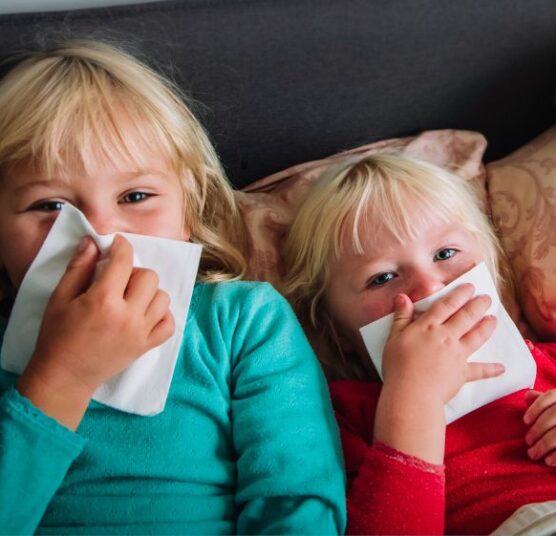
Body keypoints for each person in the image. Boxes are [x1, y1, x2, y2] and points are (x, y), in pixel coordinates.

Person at [0, 40, 346, 533]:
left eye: (136, 196)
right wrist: (64, 378)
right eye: (50, 206)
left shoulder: (242, 322)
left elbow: (297, 497)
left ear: (190, 205)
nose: (104, 233)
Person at [281, 152, 556, 535]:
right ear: (337, 332)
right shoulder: (343, 414)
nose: (430, 288)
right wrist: (413, 395)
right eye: (382, 278)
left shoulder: (549, 364)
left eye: (446, 254)